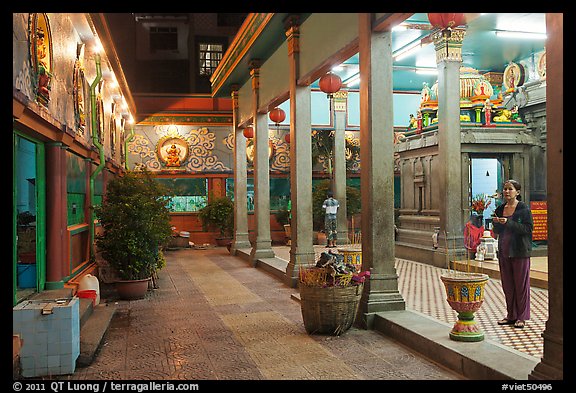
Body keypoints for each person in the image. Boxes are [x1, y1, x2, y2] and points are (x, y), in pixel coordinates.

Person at [492, 180, 533, 329]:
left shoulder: (523, 208)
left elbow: (528, 229)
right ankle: (511, 315)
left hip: (520, 251)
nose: (507, 192)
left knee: (521, 285)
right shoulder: (500, 208)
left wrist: (507, 223)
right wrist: (496, 223)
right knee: (508, 285)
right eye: (505, 189)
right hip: (504, 250)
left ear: (518, 192)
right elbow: (497, 231)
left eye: (510, 189)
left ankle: (521, 317)